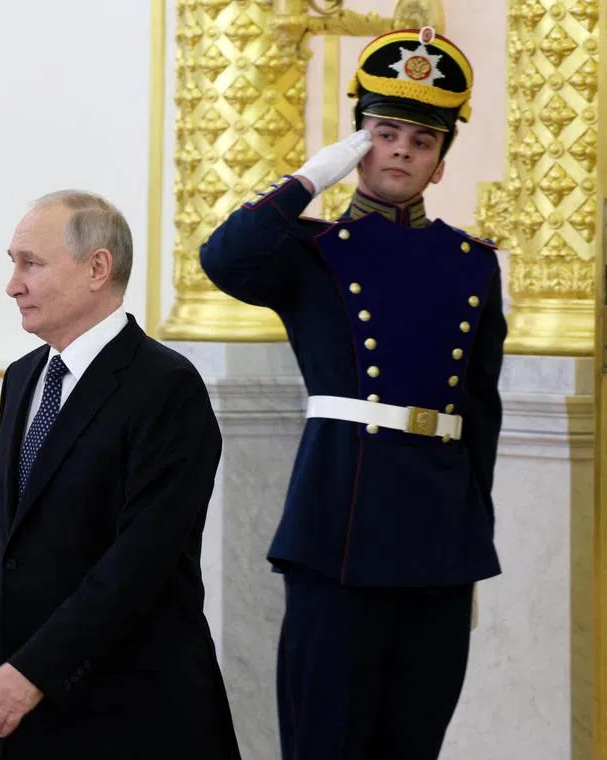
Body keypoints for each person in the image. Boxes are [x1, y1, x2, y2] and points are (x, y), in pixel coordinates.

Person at [199, 27, 504, 759]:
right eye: (383, 132)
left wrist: (472, 540)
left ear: (437, 165)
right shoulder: (310, 253)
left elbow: (481, 415)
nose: (401, 149)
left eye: (421, 141)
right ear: (359, 143)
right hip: (339, 532)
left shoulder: (474, 265)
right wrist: (313, 176)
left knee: (412, 742)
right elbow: (223, 258)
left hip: (437, 544)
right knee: (326, 740)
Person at [0, 190, 241, 760]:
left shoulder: (167, 387)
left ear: (98, 268)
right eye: (12, 262)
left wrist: (34, 670)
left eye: (31, 263)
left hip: (133, 711)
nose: (12, 284)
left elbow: (139, 562)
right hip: (26, 704)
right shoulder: (22, 378)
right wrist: (8, 670)